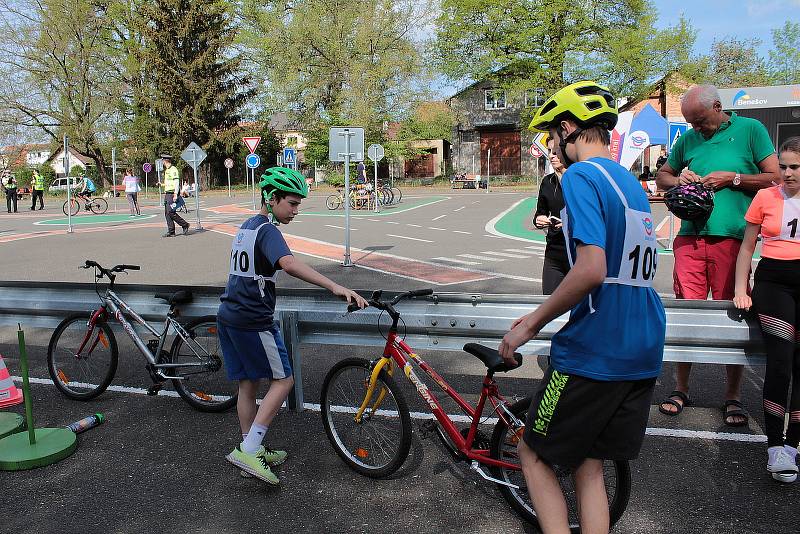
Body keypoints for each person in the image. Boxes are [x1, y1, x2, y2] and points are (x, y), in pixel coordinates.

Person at [499, 81, 666, 533]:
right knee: (589, 465)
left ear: (569, 128)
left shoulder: (580, 177)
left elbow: (591, 268)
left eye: (554, 138)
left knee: (532, 453)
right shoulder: (629, 183)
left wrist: (529, 325)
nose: (554, 147)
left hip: (596, 348)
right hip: (644, 344)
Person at [217, 166, 368, 484]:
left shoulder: (247, 226)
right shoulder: (269, 231)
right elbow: (289, 263)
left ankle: (249, 446)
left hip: (229, 315)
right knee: (283, 381)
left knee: (248, 384)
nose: (296, 210)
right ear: (272, 199)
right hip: (253, 320)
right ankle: (249, 449)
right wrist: (334, 286)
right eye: (292, 203)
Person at [655, 84, 779, 426]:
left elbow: (776, 178)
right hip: (690, 240)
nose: (696, 128)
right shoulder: (690, 138)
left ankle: (733, 396)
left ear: (718, 107)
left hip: (733, 240)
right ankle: (680, 388)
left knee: (732, 316)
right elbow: (662, 175)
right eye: (692, 123)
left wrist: (734, 178)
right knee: (686, 315)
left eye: (701, 121)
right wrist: (679, 176)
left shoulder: (750, 129)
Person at [733, 136, 800, 483]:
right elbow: (746, 249)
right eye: (783, 166)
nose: (786, 173)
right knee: (781, 362)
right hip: (773, 283)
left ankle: (794, 445)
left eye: (794, 167)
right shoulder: (764, 196)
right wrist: (739, 289)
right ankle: (775, 445)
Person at [532, 137, 569, 294]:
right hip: (553, 251)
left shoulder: (579, 181)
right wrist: (539, 220)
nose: (552, 155)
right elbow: (540, 212)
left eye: (556, 151)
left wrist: (568, 223)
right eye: (549, 152)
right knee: (547, 300)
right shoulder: (547, 182)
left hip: (577, 252)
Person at [159, 154, 189, 237]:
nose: (162, 162)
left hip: (172, 193)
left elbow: (176, 182)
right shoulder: (167, 170)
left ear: (165, 161)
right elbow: (169, 182)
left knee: (170, 211)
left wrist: (176, 194)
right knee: (167, 213)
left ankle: (184, 224)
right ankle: (171, 231)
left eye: (162, 160)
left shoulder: (173, 169)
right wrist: (162, 184)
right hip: (167, 193)